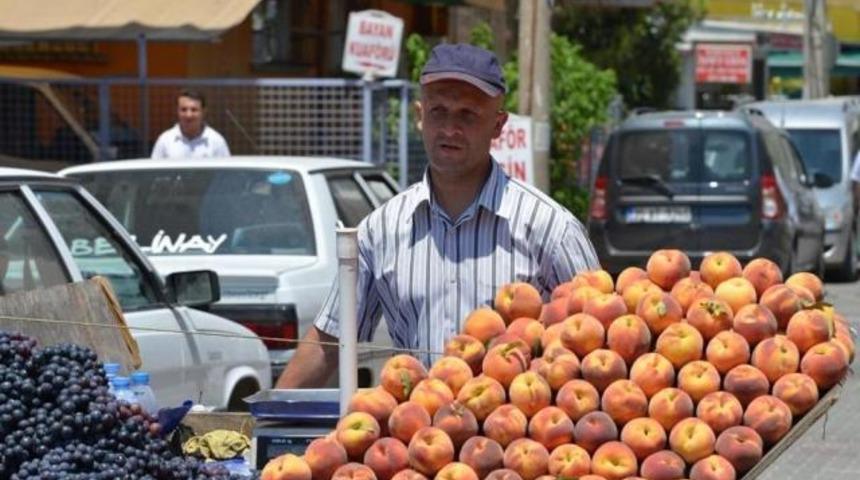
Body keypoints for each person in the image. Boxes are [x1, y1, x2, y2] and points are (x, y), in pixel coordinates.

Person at [275, 43, 600, 388]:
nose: (450, 128)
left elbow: (598, 337)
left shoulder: (550, 229)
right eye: (438, 111)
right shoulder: (382, 229)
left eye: (468, 115)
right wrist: (263, 421)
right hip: (417, 434)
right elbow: (332, 341)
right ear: (419, 115)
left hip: (515, 435)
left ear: (498, 125)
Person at [151, 89, 230, 159]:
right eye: (183, 109)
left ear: (203, 111)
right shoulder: (165, 140)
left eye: (194, 110)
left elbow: (226, 173)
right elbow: (153, 172)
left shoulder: (216, 141)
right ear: (177, 111)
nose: (189, 115)